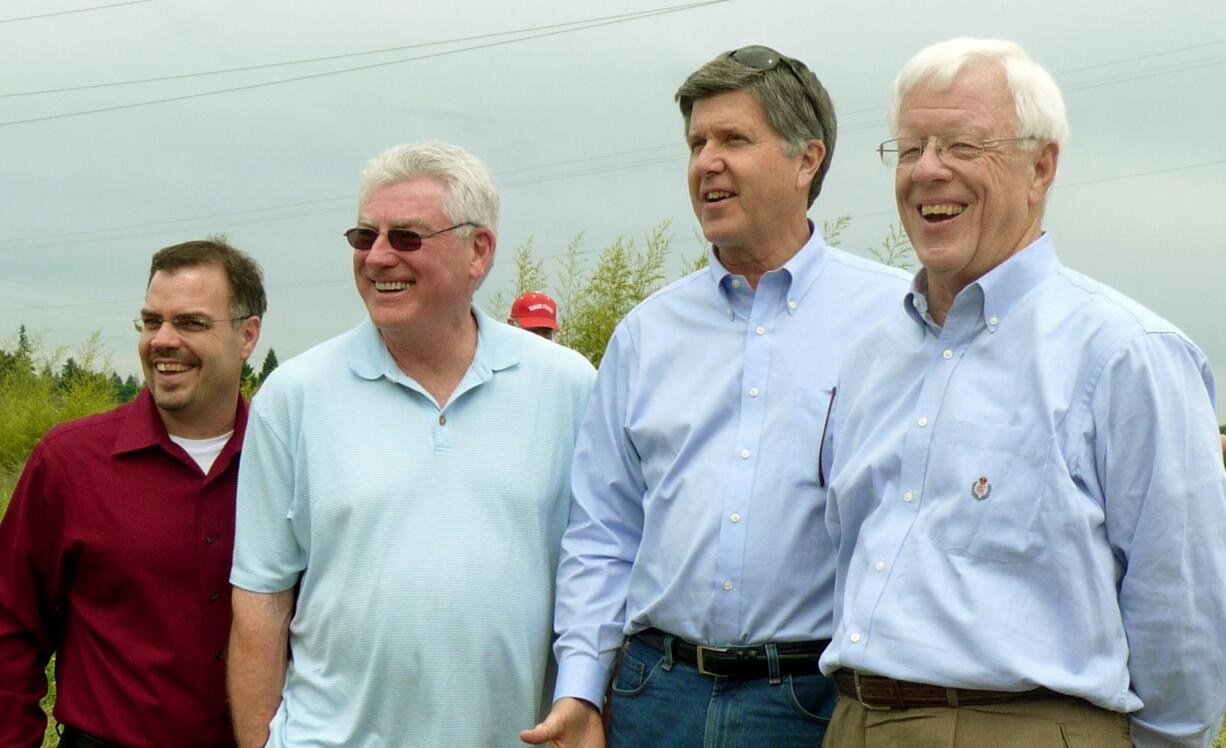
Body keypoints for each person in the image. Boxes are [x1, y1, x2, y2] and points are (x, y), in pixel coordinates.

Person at [819, 38, 1226, 747]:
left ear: (1042, 167)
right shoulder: (870, 360)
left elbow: (1181, 609)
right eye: (910, 147)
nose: (928, 170)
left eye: (963, 145)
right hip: (856, 721)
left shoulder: (1126, 356)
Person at [522, 46, 908, 747]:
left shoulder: (896, 320)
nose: (707, 162)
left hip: (814, 702)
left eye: (734, 139)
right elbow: (603, 529)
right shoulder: (647, 333)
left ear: (806, 160)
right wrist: (580, 685)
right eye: (697, 143)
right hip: (653, 695)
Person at [227, 141, 596, 747]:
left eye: (406, 238)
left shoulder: (568, 387)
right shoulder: (294, 394)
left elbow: (598, 573)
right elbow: (261, 598)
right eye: (363, 236)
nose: (376, 258)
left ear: (479, 251)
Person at [0, 239, 265, 747]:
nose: (163, 340)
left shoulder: (291, 464)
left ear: (247, 335)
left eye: (191, 323)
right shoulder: (70, 462)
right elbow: (10, 629)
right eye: (151, 322)